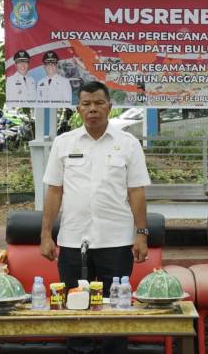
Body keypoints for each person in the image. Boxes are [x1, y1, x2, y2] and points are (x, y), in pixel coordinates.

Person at [40, 81, 150, 353]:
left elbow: (136, 192)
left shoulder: (128, 144)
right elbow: (54, 192)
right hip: (74, 242)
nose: (93, 109)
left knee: (116, 315)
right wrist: (45, 235)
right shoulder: (64, 143)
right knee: (76, 314)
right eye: (86, 104)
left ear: (110, 108)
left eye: (99, 103)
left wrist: (142, 234)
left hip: (116, 242)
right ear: (78, 109)